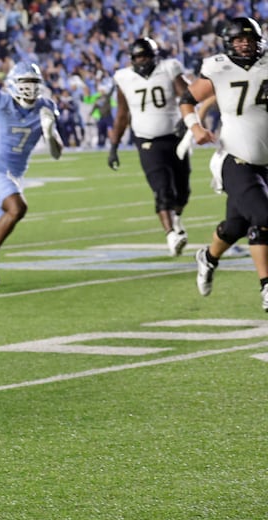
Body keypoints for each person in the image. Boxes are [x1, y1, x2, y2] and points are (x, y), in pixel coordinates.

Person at [179, 17, 268, 311]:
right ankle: (267, 286)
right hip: (236, 158)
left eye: (249, 39)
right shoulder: (218, 67)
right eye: (238, 40)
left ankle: (208, 257)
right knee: (263, 216)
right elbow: (186, 98)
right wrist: (195, 128)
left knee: (235, 226)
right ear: (228, 44)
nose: (244, 45)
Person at [0, 61, 64, 285]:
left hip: (14, 174)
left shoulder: (45, 107)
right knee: (17, 207)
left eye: (34, 82)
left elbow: (56, 153)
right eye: (25, 82)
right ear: (13, 84)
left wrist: (50, 131)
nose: (30, 87)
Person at [107, 37, 192, 257]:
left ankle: (177, 219)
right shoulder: (123, 78)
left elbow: (187, 95)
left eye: (145, 56)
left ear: (154, 56)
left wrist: (187, 118)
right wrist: (114, 146)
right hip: (146, 140)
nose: (142, 60)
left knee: (182, 192)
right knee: (162, 189)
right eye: (138, 57)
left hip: (175, 137)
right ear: (132, 59)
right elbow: (122, 114)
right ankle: (171, 234)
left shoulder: (168, 68)